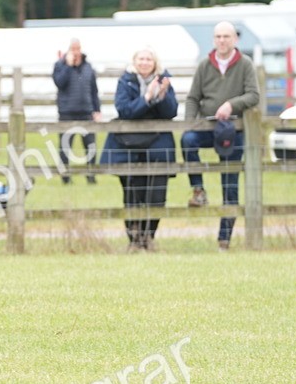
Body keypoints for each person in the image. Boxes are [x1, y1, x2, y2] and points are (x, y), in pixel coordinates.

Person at [182, 21, 260, 250]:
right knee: (187, 141)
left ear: (235, 39)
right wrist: (190, 123)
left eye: (226, 36)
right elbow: (193, 97)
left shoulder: (245, 64)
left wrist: (231, 105)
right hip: (207, 126)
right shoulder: (205, 65)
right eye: (218, 36)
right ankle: (198, 189)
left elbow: (254, 95)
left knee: (230, 184)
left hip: (232, 130)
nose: (222, 41)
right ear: (213, 39)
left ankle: (224, 238)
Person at [99, 47, 178, 251]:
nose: (144, 62)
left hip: (158, 144)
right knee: (132, 192)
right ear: (134, 61)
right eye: (141, 59)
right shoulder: (125, 81)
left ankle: (148, 236)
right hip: (128, 145)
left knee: (156, 195)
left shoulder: (164, 80)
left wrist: (161, 96)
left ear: (155, 62)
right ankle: (134, 238)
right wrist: (146, 99)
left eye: (148, 59)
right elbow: (125, 110)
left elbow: (171, 112)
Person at [52, 38, 102, 183]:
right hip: (67, 112)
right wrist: (68, 65)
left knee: (90, 146)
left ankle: (91, 176)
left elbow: (94, 91)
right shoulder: (60, 66)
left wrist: (97, 110)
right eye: (73, 49)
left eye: (78, 49)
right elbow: (59, 83)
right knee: (65, 147)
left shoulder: (88, 67)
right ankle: (66, 178)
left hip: (86, 112)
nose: (76, 52)